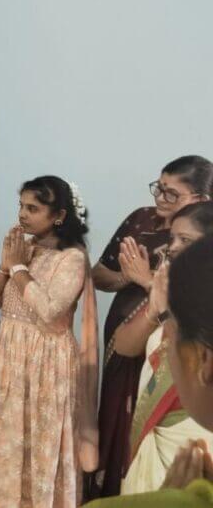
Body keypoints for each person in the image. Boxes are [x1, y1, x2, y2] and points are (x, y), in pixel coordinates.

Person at [88, 155, 213, 499]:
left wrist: (147, 282)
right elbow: (123, 339)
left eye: (172, 193)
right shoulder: (142, 222)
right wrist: (141, 287)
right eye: (159, 188)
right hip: (141, 362)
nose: (173, 249)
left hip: (189, 425)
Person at [0, 176, 100, 507]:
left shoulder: (72, 258)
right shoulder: (25, 249)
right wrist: (5, 268)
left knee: (44, 441)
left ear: (59, 215)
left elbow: (49, 311)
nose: (22, 214)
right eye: (21, 206)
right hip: (12, 359)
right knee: (11, 437)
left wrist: (18, 267)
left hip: (48, 362)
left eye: (33, 208)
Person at [117, 202, 213, 494]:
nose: (173, 247)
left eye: (185, 240)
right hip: (156, 433)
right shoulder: (166, 286)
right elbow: (124, 346)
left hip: (195, 434)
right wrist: (155, 307)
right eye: (172, 238)